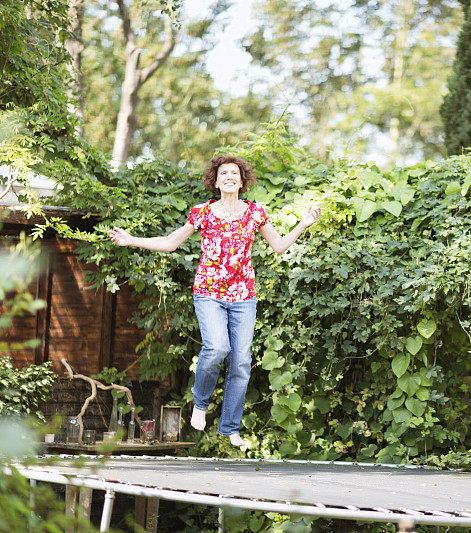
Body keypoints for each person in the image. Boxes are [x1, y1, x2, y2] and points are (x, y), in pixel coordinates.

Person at [109, 155, 320, 447]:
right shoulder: (203, 213)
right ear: (216, 181)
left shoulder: (255, 213)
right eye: (224, 173)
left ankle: (230, 427)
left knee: (242, 361)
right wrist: (132, 240)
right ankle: (200, 403)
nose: (230, 176)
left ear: (242, 180)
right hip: (209, 293)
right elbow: (171, 243)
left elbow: (280, 246)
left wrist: (304, 223)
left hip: (244, 296)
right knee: (218, 346)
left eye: (235, 173)